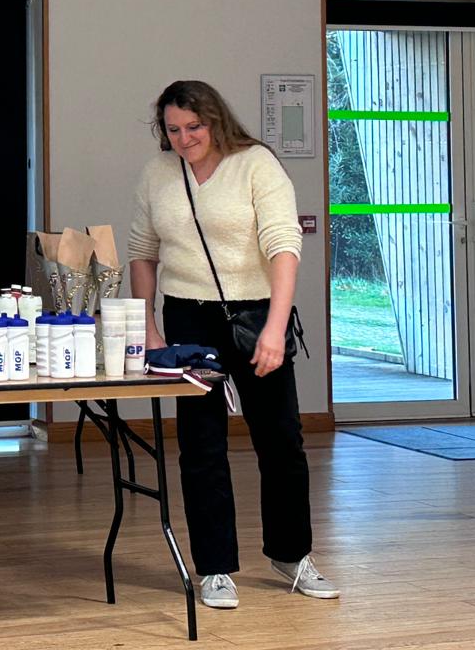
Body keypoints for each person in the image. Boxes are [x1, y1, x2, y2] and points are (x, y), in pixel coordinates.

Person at [125, 80, 339, 611]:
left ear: (215, 120)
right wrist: (148, 326)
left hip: (254, 314)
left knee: (281, 440)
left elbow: (284, 246)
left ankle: (292, 555)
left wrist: (275, 327)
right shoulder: (157, 173)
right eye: (173, 129)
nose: (184, 139)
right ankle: (215, 568)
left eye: (194, 127)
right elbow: (142, 252)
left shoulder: (256, 165)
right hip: (187, 318)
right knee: (200, 447)